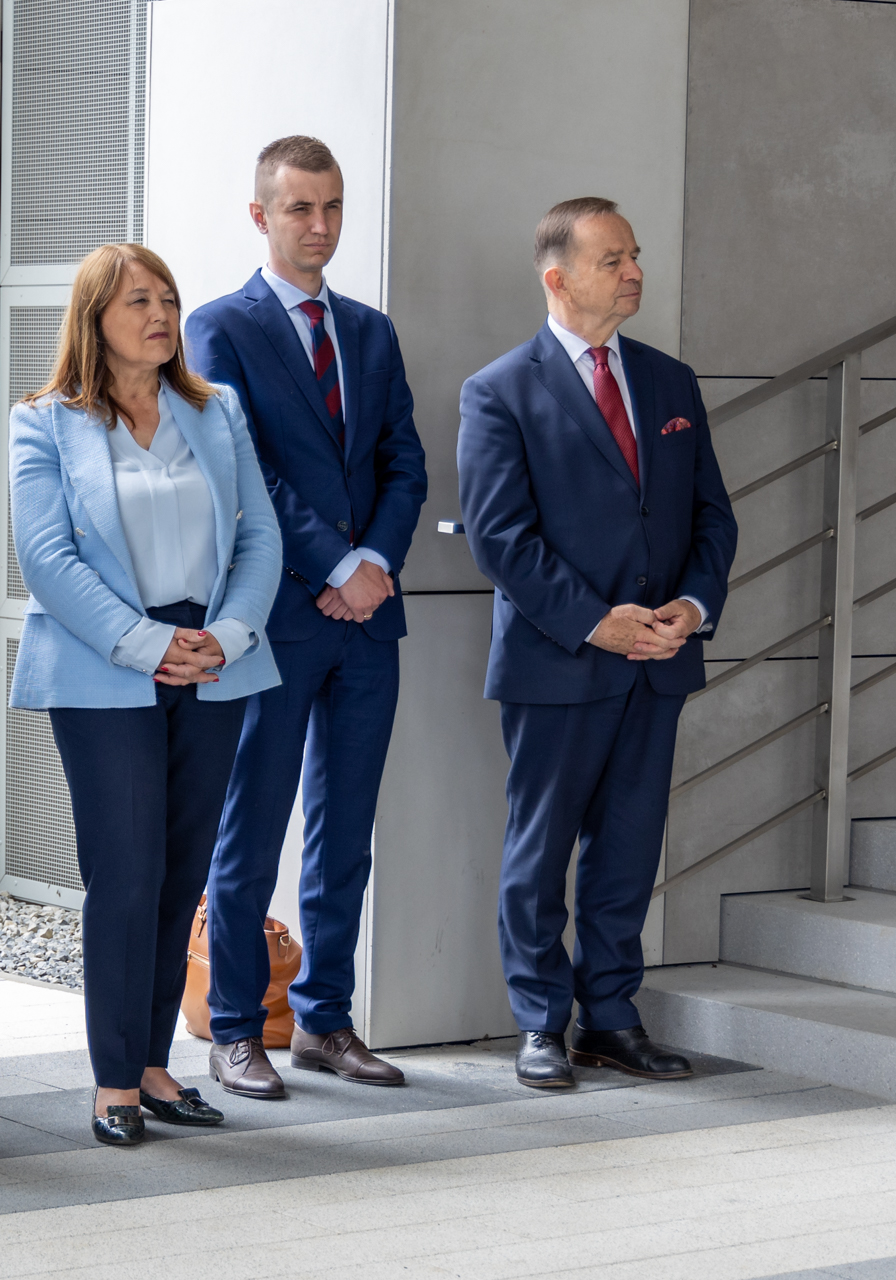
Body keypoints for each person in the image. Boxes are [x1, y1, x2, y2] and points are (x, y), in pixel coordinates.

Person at [458, 197, 737, 1089]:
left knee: (627, 850)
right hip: (560, 661)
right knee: (539, 853)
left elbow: (712, 516)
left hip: (658, 662)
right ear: (558, 277)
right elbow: (501, 539)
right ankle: (540, 1022)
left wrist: (691, 606)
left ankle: (610, 1018)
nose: (634, 272)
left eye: (634, 255)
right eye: (613, 259)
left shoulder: (670, 381)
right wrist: (597, 621)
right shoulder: (500, 389)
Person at [9, 243, 282, 1146]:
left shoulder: (217, 409)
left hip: (212, 661)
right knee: (125, 874)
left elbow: (260, 537)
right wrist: (147, 644)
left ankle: (156, 1064)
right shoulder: (44, 422)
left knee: (180, 871)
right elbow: (47, 559)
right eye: (138, 301)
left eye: (167, 298)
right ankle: (114, 1080)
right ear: (94, 318)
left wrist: (226, 637)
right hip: (105, 667)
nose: (161, 314)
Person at [186, 136, 428, 1098]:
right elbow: (241, 468)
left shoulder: (371, 331)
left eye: (331, 207)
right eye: (299, 208)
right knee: (251, 828)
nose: (319, 225)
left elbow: (405, 461)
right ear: (261, 216)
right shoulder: (218, 328)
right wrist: (335, 563)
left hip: (366, 623)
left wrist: (374, 565)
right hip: (275, 619)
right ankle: (235, 1028)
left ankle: (325, 1020)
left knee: (345, 831)